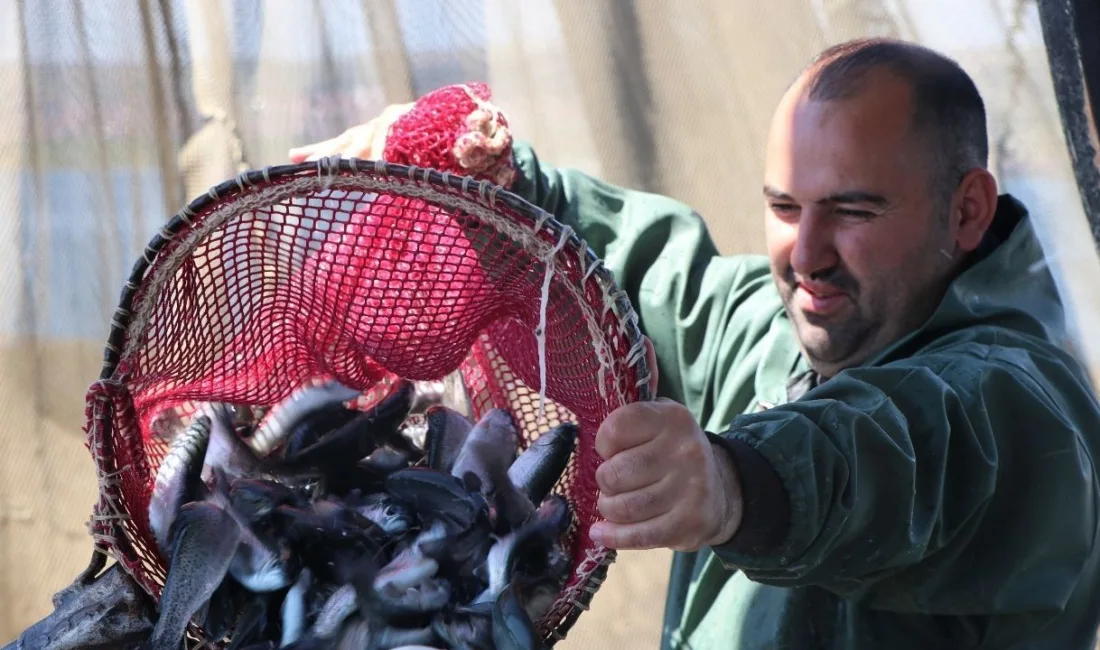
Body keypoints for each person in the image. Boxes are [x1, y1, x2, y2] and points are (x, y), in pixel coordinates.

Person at [290, 38, 1100, 650]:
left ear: (968, 211)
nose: (806, 253)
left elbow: (893, 451)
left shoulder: (1023, 406)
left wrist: (735, 481)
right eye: (785, 207)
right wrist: (503, 183)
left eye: (853, 212)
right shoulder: (782, 327)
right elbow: (652, 274)